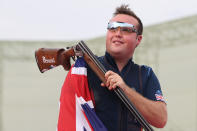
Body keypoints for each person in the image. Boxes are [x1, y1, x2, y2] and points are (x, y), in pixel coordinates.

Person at [86, 4, 167, 131]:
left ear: (138, 39)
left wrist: (125, 90)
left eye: (126, 29)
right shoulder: (86, 67)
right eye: (112, 28)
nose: (117, 33)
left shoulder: (145, 73)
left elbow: (161, 119)